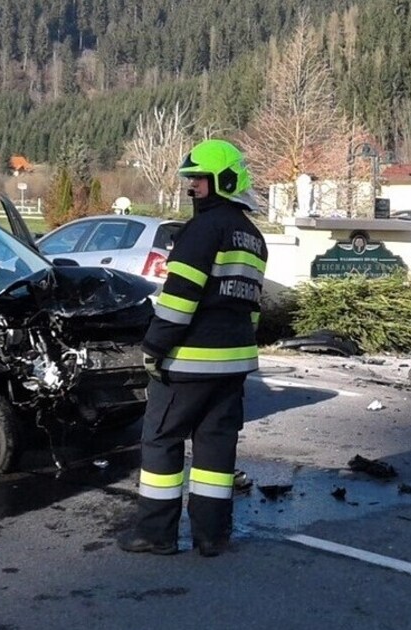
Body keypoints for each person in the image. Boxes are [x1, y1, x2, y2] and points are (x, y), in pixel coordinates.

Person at [118, 138, 267, 558]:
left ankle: (155, 534)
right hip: (232, 367)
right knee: (216, 452)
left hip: (188, 364)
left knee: (161, 441)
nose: (191, 188)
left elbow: (180, 298)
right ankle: (213, 536)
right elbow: (252, 307)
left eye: (199, 180)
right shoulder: (254, 238)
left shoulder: (202, 230)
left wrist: (153, 347)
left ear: (223, 181)